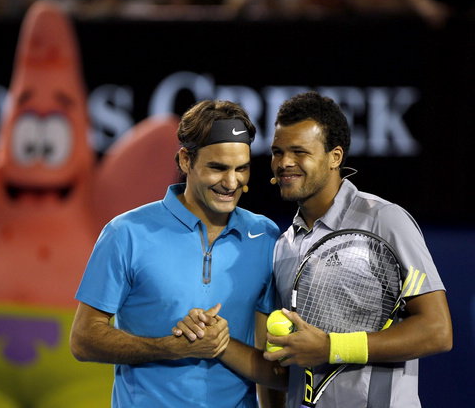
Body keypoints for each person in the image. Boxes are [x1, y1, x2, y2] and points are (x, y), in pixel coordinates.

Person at [70, 99, 288, 407]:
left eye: (242, 169)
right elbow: (83, 339)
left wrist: (220, 345)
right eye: (218, 168)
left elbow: (274, 370)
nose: (231, 182)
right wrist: (170, 347)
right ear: (186, 160)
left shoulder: (265, 236)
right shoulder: (126, 233)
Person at [264, 90, 453, 407]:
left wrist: (331, 347)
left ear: (335, 157)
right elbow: (283, 366)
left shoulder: (383, 219)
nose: (284, 163)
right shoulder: (284, 246)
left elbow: (437, 330)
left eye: (299, 152)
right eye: (277, 152)